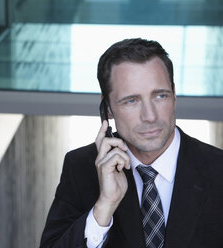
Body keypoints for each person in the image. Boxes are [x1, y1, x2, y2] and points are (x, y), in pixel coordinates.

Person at [40, 38, 223, 248]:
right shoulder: (80, 167)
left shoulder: (218, 169)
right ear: (107, 109)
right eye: (131, 101)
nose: (150, 116)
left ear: (174, 96)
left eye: (160, 96)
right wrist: (104, 207)